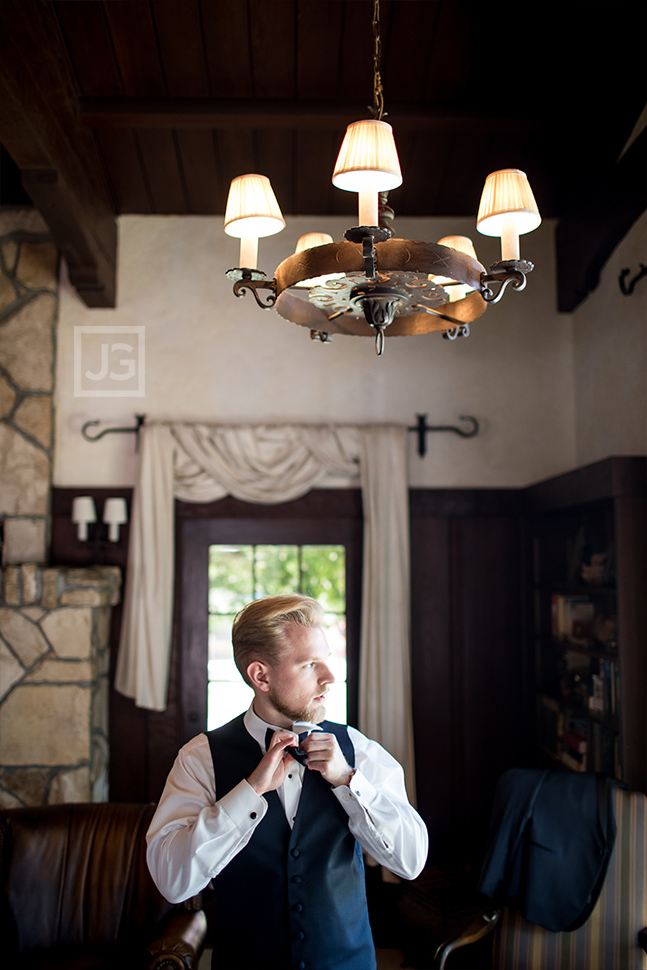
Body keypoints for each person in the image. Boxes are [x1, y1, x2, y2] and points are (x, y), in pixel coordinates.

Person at [146, 594, 428, 970]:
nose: (330, 677)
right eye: (310, 664)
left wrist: (348, 780)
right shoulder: (200, 759)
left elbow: (410, 862)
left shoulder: (358, 751)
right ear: (260, 675)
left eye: (326, 660)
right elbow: (171, 881)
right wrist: (248, 792)